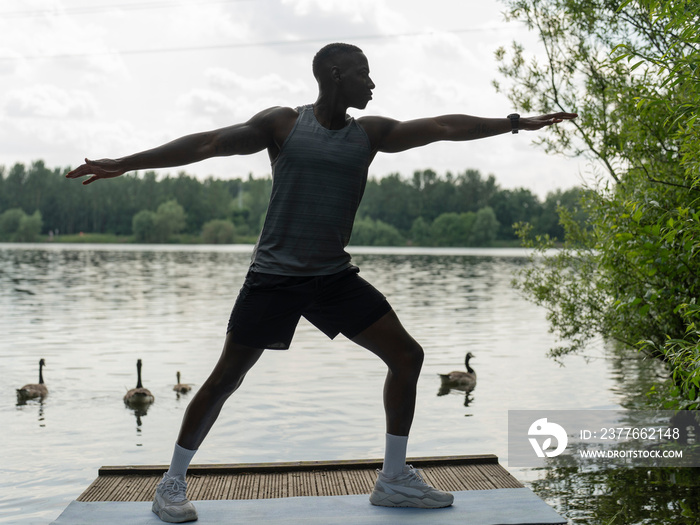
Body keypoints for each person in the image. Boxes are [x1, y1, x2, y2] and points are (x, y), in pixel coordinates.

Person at [67, 42, 577, 523]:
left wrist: (516, 123)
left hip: (332, 277)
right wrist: (127, 164)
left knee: (407, 356)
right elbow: (208, 143)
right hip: (274, 278)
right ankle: (171, 485)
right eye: (363, 73)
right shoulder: (282, 125)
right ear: (335, 74)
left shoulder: (369, 134)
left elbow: (443, 125)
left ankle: (394, 478)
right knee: (226, 379)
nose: (373, 84)